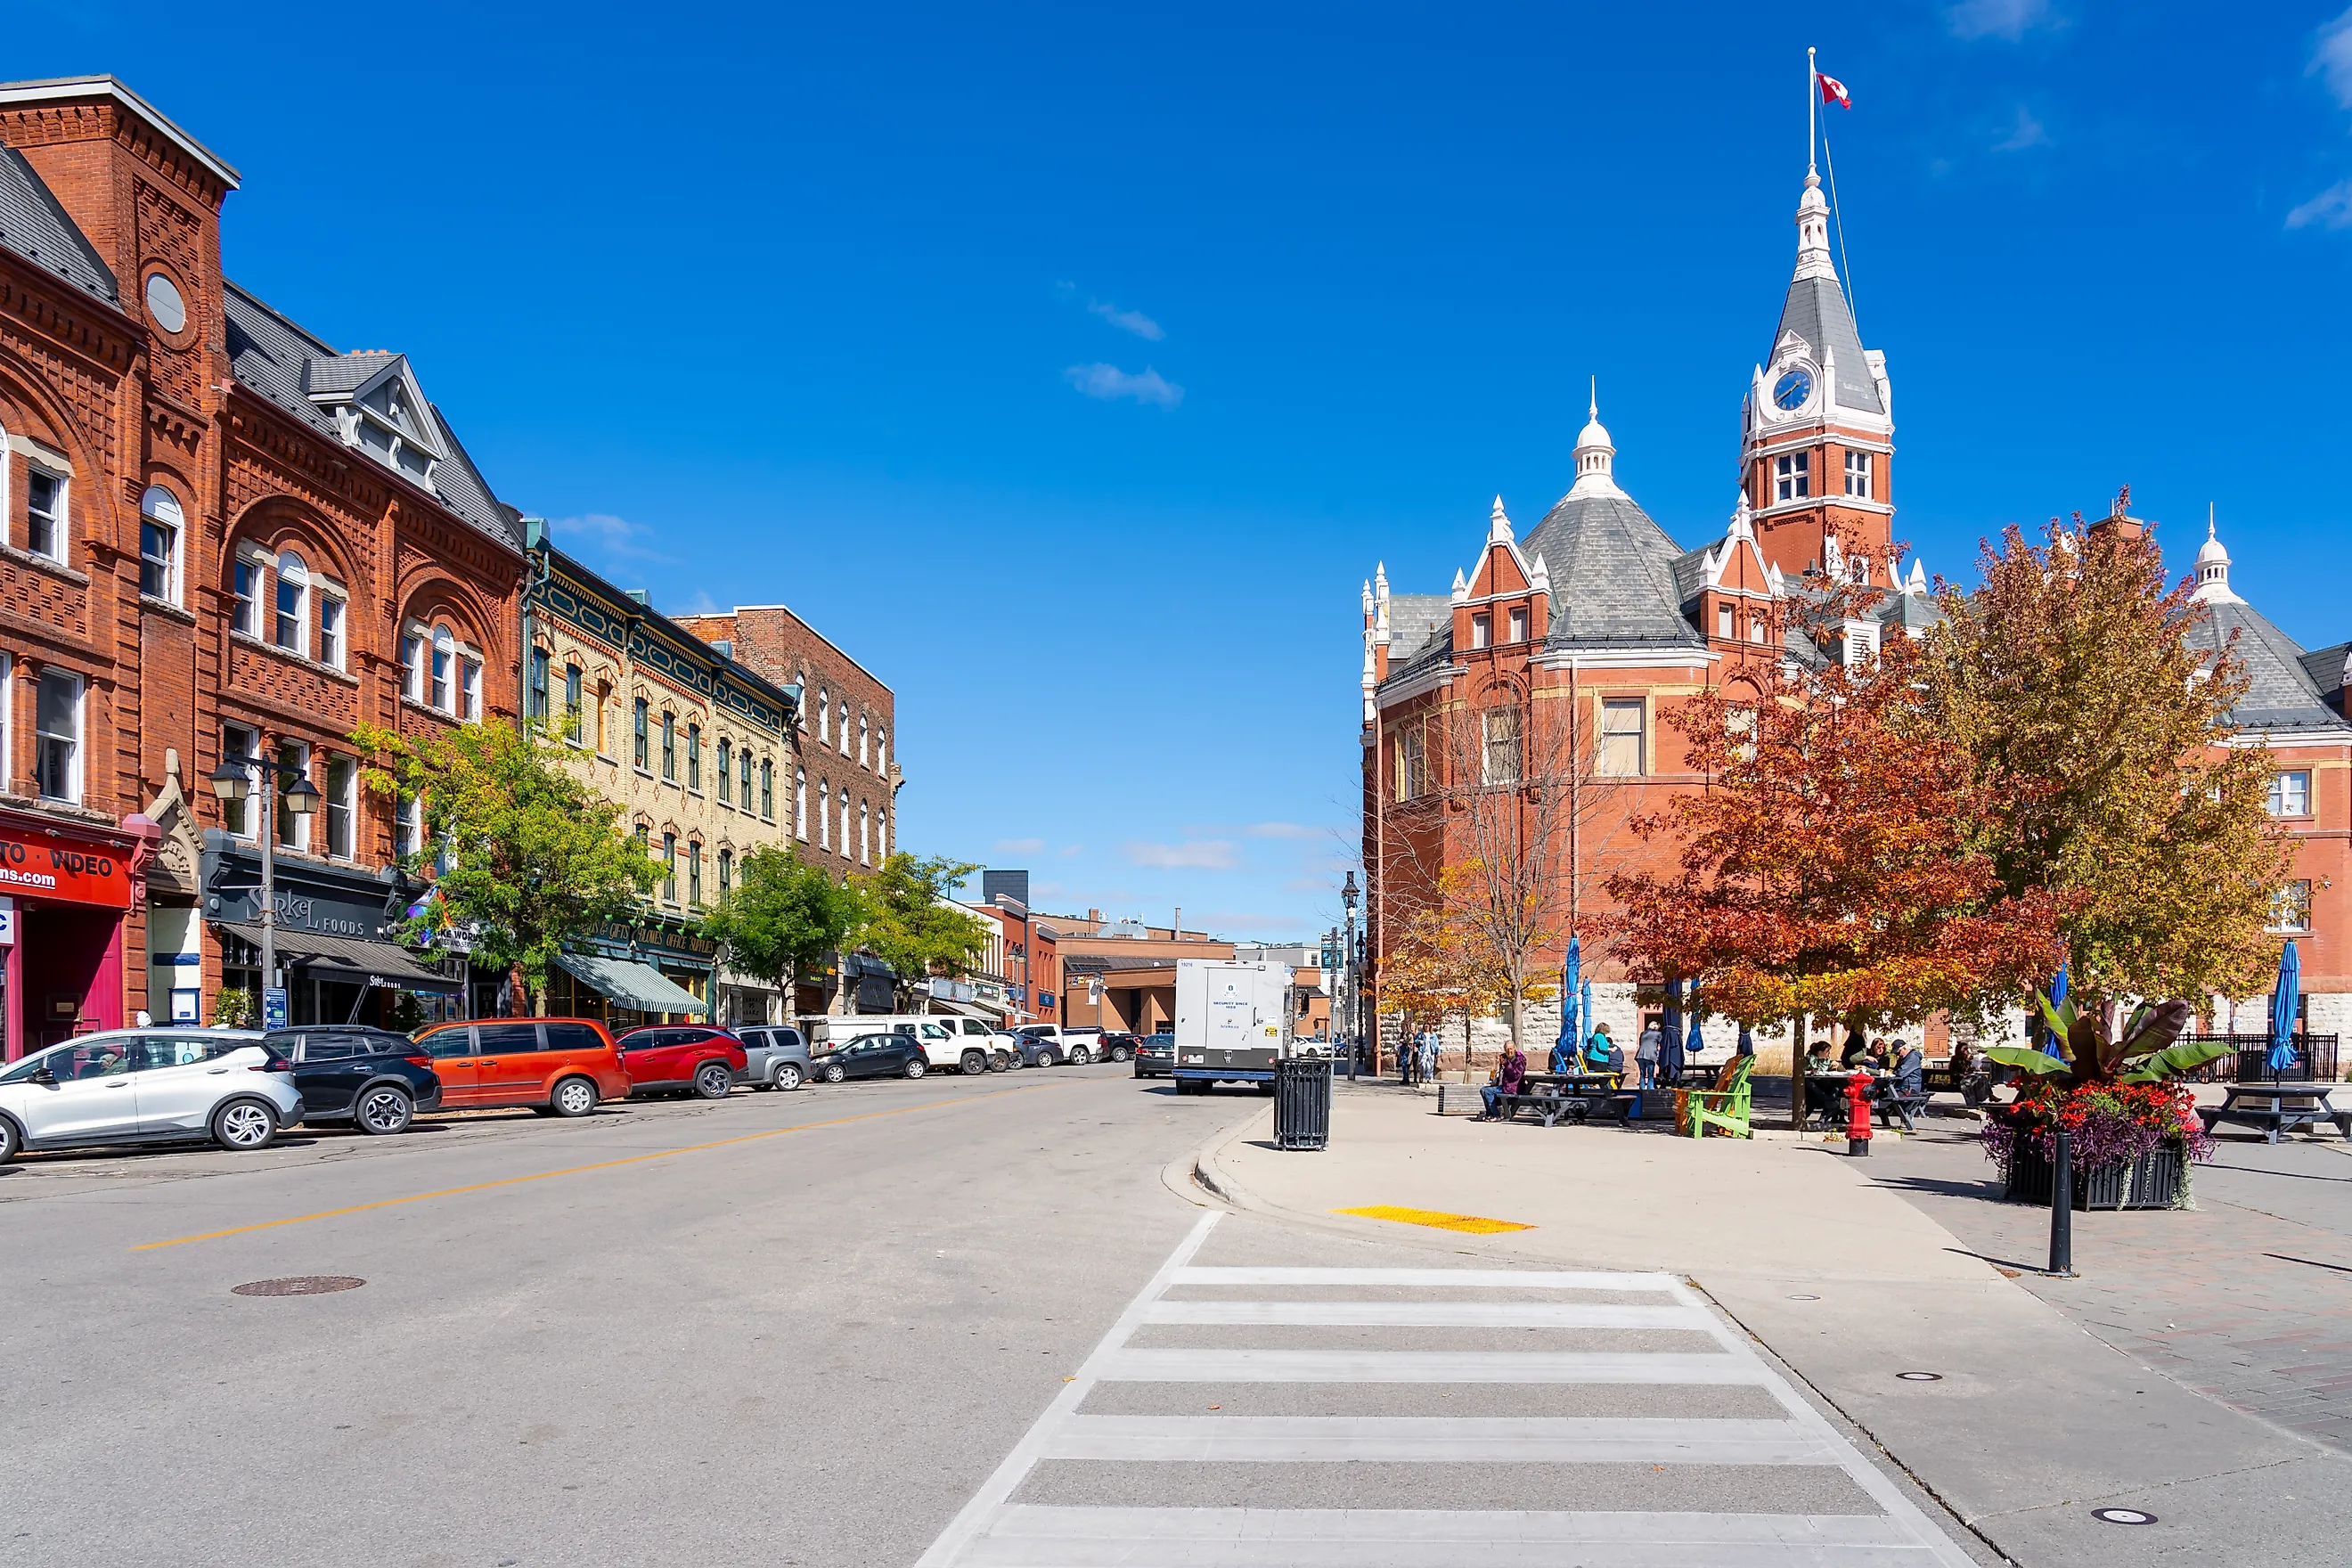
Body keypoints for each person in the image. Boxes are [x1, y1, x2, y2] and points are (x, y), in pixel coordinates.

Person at [1478, 1045, 1527, 1120]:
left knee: (1488, 1091)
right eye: (1507, 1049)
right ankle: (1489, 1113)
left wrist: (1507, 1064)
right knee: (1483, 1090)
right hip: (1503, 1086)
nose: (1509, 1051)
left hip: (1512, 1088)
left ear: (1514, 1049)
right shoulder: (1504, 1059)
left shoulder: (1519, 1060)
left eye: (1511, 1049)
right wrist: (1496, 1081)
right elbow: (1503, 1075)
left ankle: (1496, 1115)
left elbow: (1515, 1076)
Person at [1636, 1020, 1663, 1090]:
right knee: (1650, 1074)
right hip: (1650, 1055)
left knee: (1642, 1074)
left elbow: (1641, 1043)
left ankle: (1642, 1087)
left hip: (1640, 1055)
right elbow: (1662, 1043)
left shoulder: (1643, 1033)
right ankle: (1650, 1088)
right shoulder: (1658, 1034)